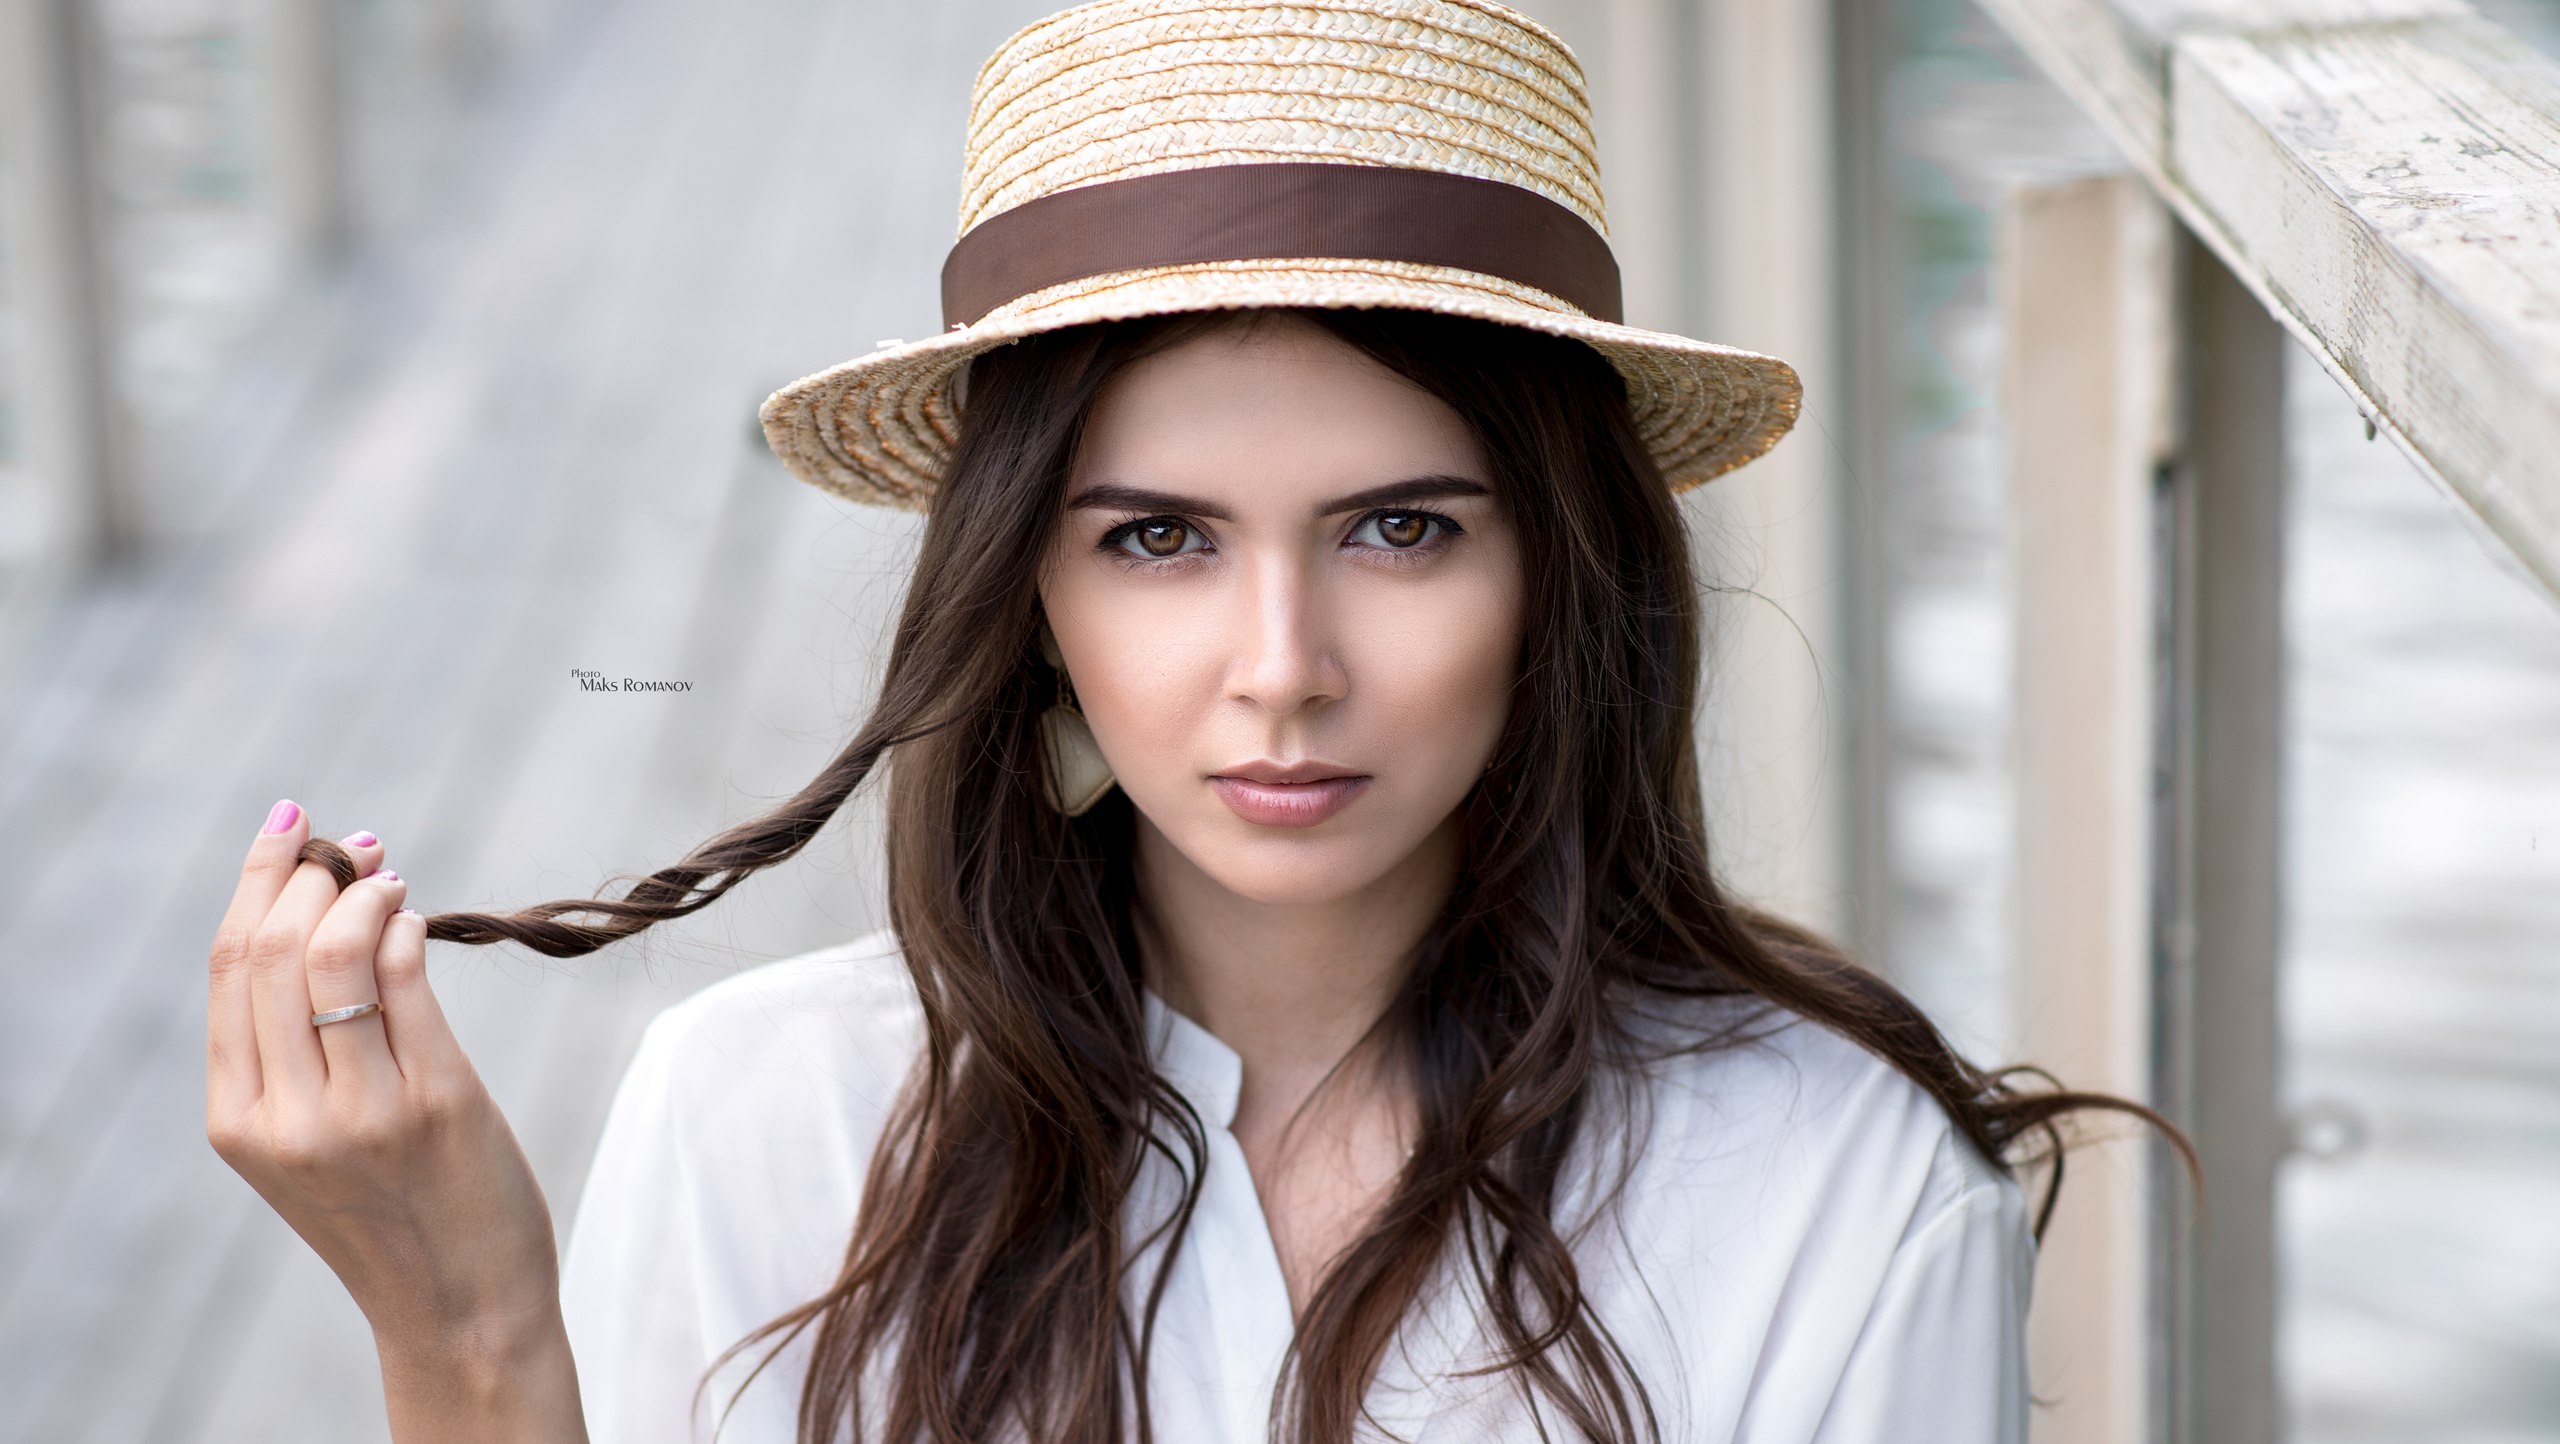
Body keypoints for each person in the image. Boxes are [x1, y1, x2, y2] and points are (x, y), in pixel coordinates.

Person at [202, 3, 2173, 1441]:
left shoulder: (1838, 1181)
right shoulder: (753, 1115)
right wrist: (461, 1324)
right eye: (1156, 537)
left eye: (1399, 528)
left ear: (1558, 577)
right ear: (1030, 601)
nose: (1279, 660)